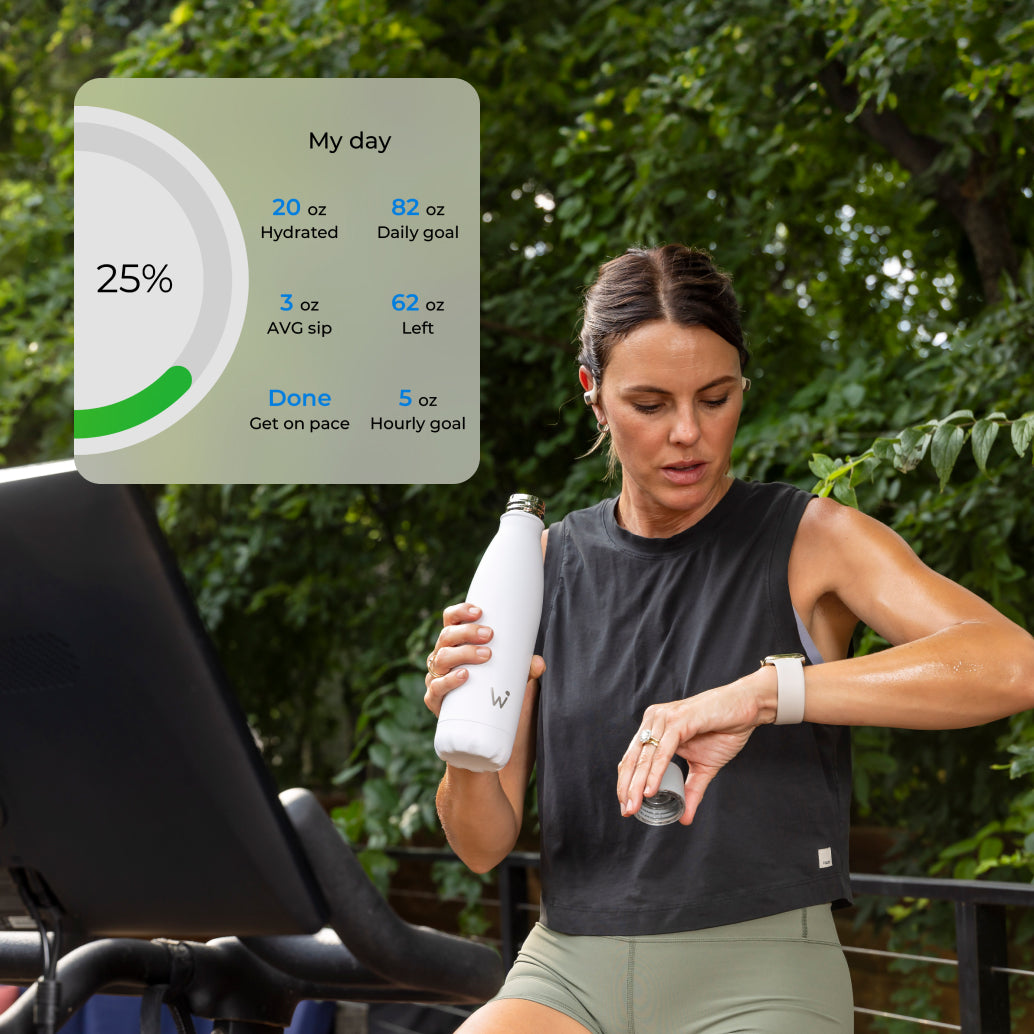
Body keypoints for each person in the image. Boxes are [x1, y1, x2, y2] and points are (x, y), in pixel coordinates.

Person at [422, 244, 1034, 1034]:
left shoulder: (811, 540)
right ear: (595, 397)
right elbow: (480, 844)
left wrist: (769, 692)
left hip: (761, 973)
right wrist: (462, 740)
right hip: (566, 967)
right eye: (650, 404)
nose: (689, 434)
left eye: (716, 398)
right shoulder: (538, 565)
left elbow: (1011, 665)